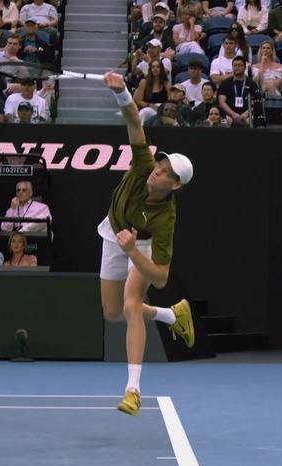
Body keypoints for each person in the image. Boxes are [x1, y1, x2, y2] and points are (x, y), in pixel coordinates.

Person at [102, 71, 198, 416]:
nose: (158, 170)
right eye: (161, 164)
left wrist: (131, 250)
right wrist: (122, 93)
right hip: (113, 231)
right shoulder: (144, 165)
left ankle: (133, 390)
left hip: (139, 245)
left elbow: (160, 278)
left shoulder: (165, 219)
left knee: (131, 305)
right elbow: (134, 122)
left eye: (166, 172)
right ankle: (172, 315)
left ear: (175, 185)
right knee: (112, 312)